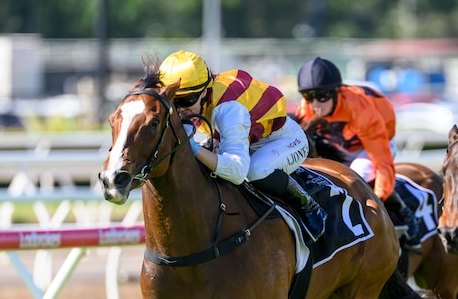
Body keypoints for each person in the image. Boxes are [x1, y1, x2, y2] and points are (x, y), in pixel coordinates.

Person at [158, 50, 326, 241]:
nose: (179, 109)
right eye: (173, 100)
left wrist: (193, 148)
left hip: (283, 140)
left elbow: (238, 171)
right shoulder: (201, 99)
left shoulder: (229, 109)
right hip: (243, 139)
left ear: (205, 91)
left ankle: (307, 204)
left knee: (255, 170)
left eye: (186, 100)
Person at [293, 57, 419, 243]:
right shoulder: (306, 109)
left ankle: (403, 211)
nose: (316, 104)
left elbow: (382, 161)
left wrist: (378, 200)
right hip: (340, 144)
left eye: (322, 96)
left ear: (337, 91)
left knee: (358, 173)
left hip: (376, 143)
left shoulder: (360, 110)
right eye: (309, 96)